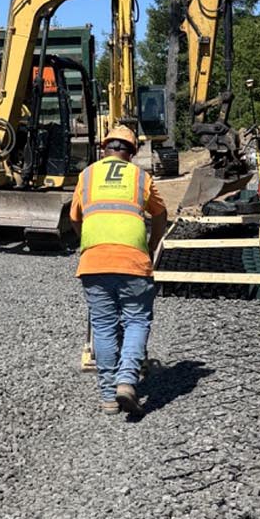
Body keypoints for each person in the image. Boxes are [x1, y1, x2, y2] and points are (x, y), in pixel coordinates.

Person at [70, 124, 168, 416]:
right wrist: (151, 244)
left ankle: (108, 397)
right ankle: (127, 380)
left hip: (94, 263)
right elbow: (160, 213)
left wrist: (88, 242)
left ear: (104, 149)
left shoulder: (86, 176)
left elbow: (75, 217)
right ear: (132, 153)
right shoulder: (141, 177)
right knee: (136, 321)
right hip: (133, 262)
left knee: (103, 326)